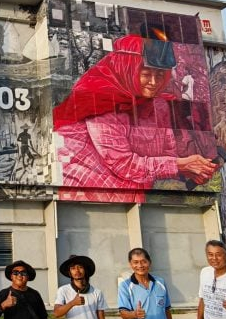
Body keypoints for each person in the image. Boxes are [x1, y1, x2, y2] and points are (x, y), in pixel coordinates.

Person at [53, 34, 216, 202]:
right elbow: (123, 163)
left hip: (131, 191)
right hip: (84, 191)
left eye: (160, 75)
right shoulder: (100, 100)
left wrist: (191, 169)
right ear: (128, 68)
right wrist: (179, 165)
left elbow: (166, 151)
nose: (153, 82)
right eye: (146, 74)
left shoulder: (158, 104)